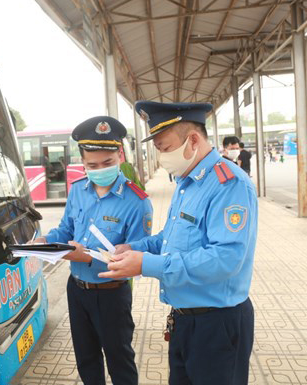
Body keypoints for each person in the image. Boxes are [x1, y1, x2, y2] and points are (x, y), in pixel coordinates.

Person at [99, 101, 258, 385]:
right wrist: (135, 249)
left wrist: (145, 265)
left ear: (193, 140)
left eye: (164, 148)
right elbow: (169, 240)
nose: (162, 157)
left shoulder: (229, 183)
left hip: (217, 323)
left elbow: (225, 258)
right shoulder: (188, 182)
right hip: (185, 319)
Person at [33, 116, 153, 385]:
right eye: (92, 165)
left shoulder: (137, 202)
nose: (100, 170)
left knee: (119, 361)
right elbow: (65, 229)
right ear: (82, 162)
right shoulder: (78, 191)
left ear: (119, 155)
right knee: (86, 359)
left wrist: (86, 256)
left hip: (111, 296)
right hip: (76, 291)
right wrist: (45, 242)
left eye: (107, 163)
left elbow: (135, 258)